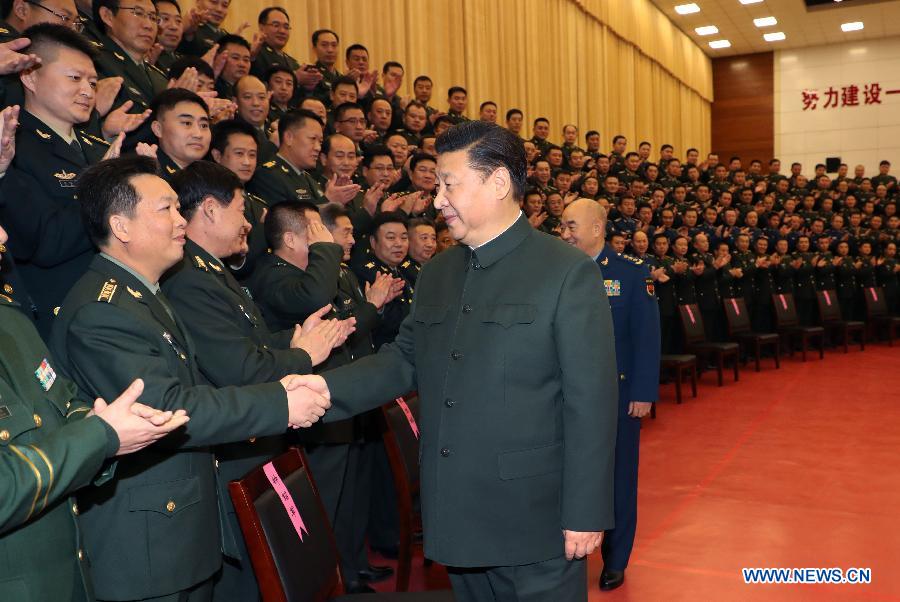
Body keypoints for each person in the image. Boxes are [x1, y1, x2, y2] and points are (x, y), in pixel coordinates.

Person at [293, 121, 618, 602]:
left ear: (500, 183)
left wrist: (586, 511)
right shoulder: (440, 272)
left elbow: (591, 401)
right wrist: (319, 390)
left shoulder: (566, 272)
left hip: (534, 519)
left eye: (450, 183)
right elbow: (403, 360)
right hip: (457, 513)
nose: (438, 198)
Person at [48, 156, 333, 602]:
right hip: (148, 546)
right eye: (166, 210)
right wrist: (280, 401)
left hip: (178, 528)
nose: (182, 220)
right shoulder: (102, 311)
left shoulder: (142, 295)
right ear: (121, 227)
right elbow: (171, 407)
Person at [163, 161, 351, 602]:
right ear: (210, 210)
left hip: (252, 441)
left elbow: (252, 342)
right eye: (241, 209)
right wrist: (306, 353)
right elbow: (242, 369)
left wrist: (294, 340)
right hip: (234, 446)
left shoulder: (211, 270)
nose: (249, 222)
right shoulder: (191, 279)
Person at [0, 219, 191, 602]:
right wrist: (100, 435)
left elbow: (63, 399)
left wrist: (102, 424)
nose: (4, 235)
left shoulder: (11, 319)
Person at [559, 198, 659, 592]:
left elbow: (647, 337)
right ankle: (567, 550)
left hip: (617, 397)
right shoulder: (555, 269)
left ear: (596, 228)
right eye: (563, 226)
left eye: (570, 226)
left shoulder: (632, 274)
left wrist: (643, 391)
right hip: (564, 397)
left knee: (618, 479)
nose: (564, 233)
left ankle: (615, 560)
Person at [0, 24, 117, 338]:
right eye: (74, 78)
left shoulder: (99, 149)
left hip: (114, 306)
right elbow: (44, 241)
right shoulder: (11, 143)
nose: (88, 91)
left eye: (93, 82)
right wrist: (104, 191)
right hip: (61, 319)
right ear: (30, 76)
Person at [248, 108, 324, 205]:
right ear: (289, 138)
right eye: (313, 139)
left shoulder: (308, 177)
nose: (318, 147)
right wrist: (328, 200)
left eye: (320, 142)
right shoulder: (268, 176)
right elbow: (285, 218)